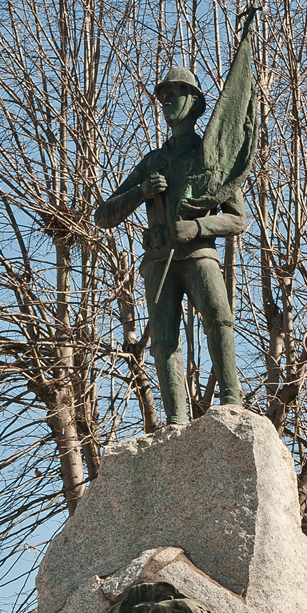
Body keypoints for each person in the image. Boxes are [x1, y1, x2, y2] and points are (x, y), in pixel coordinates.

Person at [95, 67, 248, 426]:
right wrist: (140, 192)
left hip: (198, 254)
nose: (166, 101)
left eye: (175, 93)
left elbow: (238, 220)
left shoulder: (213, 157)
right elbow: (103, 216)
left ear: (196, 104)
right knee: (164, 342)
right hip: (158, 259)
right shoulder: (152, 161)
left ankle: (232, 400)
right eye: (163, 95)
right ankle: (175, 421)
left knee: (220, 320)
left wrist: (197, 226)